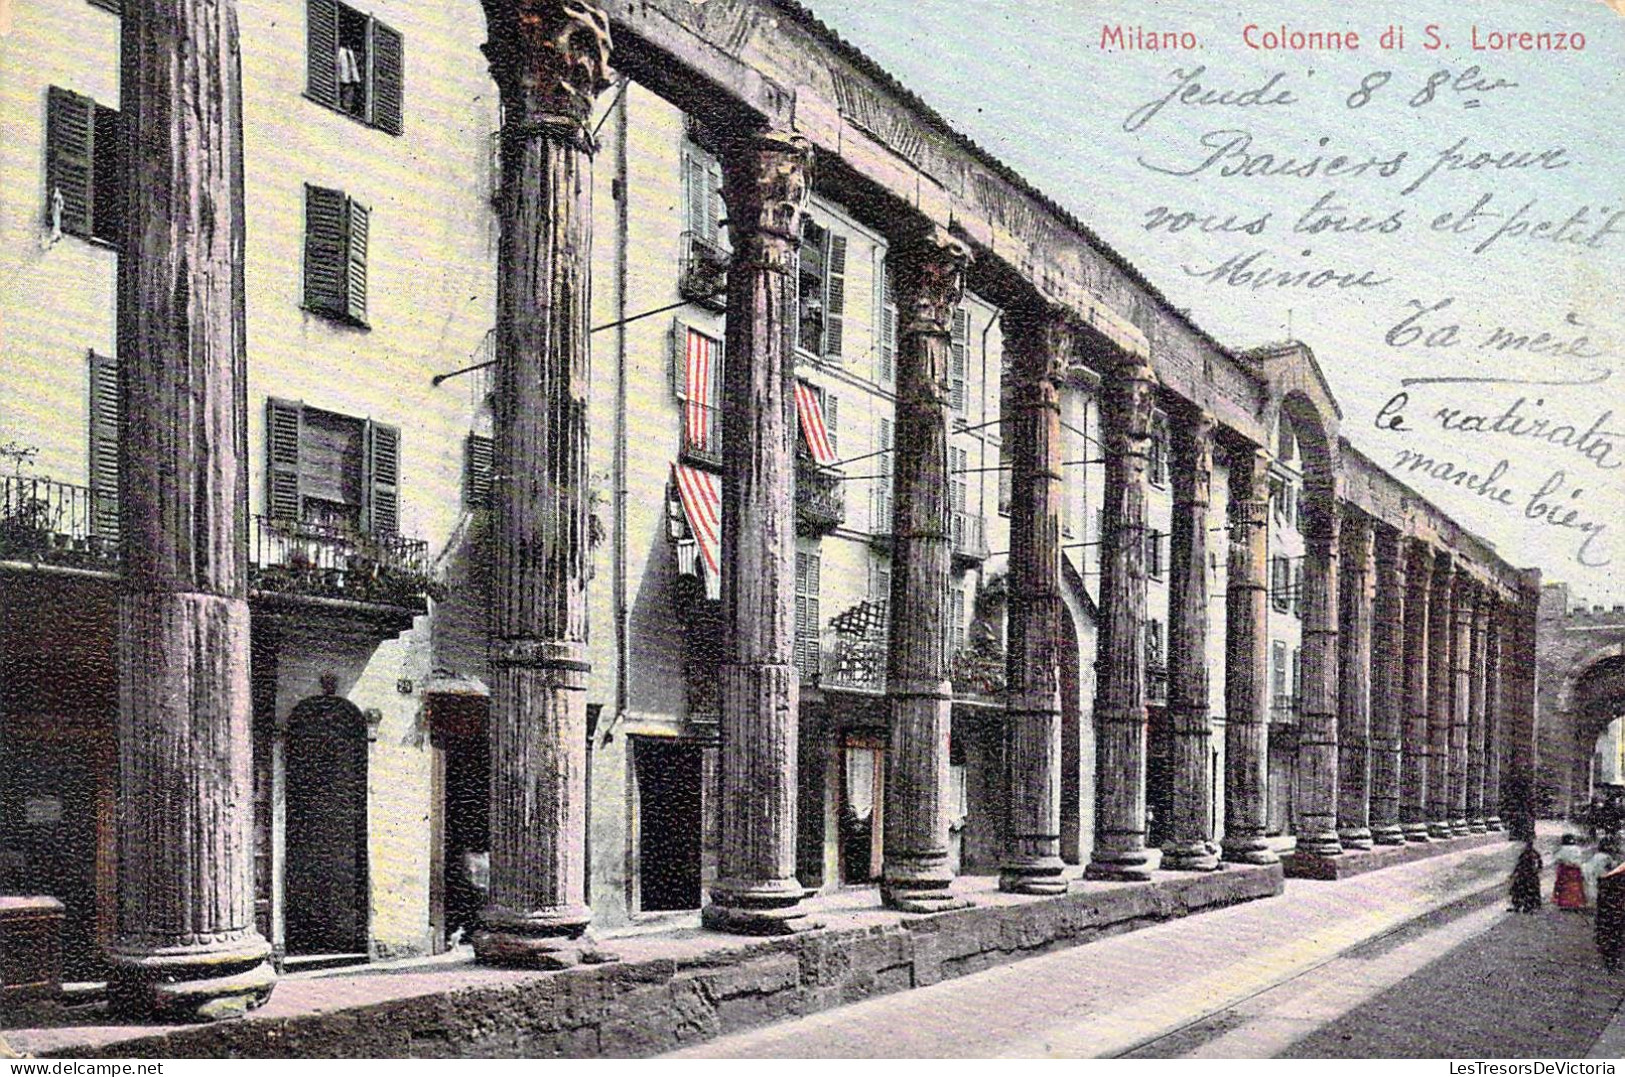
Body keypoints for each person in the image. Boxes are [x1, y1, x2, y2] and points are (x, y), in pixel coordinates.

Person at [1597, 859, 1625, 972]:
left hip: (1613, 907)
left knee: (1613, 934)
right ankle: (1612, 960)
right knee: (1615, 934)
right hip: (1615, 908)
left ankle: (1611, 960)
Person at [1554, 834, 1590, 910]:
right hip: (1575, 870)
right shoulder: (1577, 849)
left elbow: (1557, 859)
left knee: (1564, 886)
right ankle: (1576, 902)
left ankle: (1565, 902)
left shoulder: (1562, 849)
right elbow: (1580, 860)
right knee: (1575, 885)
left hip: (1565, 870)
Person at [1509, 840, 1543, 914]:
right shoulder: (1535, 854)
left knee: (1519, 889)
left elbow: (1519, 865)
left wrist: (1514, 874)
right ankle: (1529, 905)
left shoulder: (1525, 854)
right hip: (1531, 875)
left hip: (1524, 875)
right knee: (1530, 890)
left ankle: (1519, 905)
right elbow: (1539, 865)